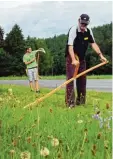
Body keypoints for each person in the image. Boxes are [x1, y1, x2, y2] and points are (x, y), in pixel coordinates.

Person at [65, 14, 107, 108]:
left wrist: (101, 55)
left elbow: (93, 44)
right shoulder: (73, 30)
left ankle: (81, 102)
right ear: (78, 21)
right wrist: (73, 60)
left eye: (85, 24)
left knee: (82, 80)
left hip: (82, 59)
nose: (83, 26)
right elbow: (70, 46)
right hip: (72, 58)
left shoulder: (88, 31)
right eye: (82, 23)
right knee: (71, 80)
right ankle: (70, 103)